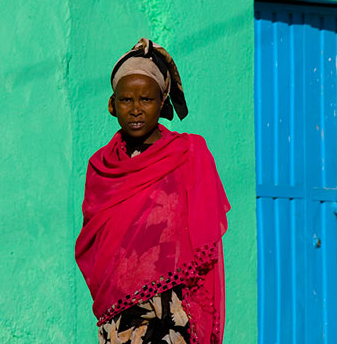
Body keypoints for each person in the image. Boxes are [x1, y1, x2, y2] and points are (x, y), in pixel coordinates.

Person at [74, 38, 231, 344]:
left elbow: (204, 246)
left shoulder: (188, 155)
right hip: (118, 316)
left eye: (146, 100)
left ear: (163, 103)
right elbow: (95, 246)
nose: (135, 109)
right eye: (126, 100)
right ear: (111, 104)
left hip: (172, 313)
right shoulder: (100, 167)